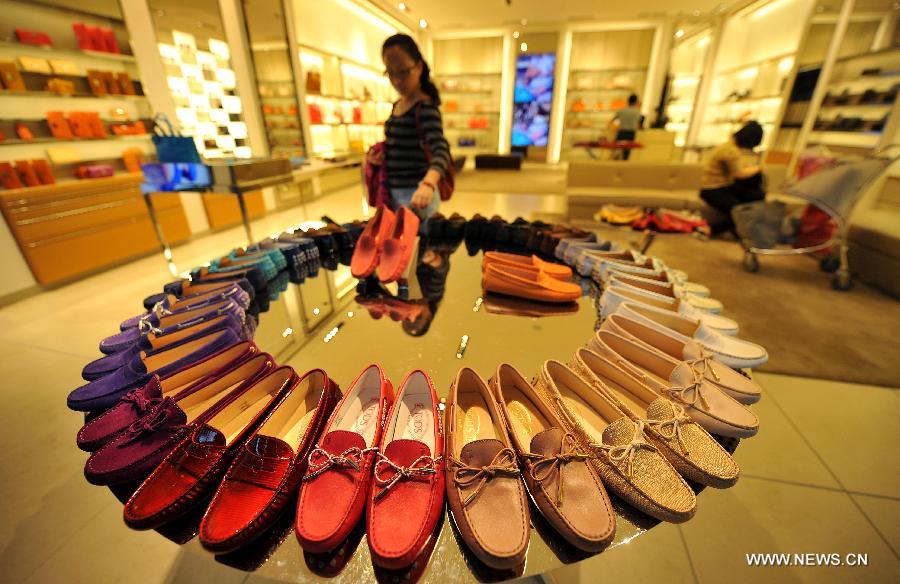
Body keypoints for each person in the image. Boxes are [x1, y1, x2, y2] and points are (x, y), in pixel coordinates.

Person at [367, 34, 451, 233]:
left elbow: (442, 150)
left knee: (417, 255)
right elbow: (400, 144)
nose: (397, 80)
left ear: (419, 67)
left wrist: (428, 184)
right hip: (392, 192)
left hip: (417, 196)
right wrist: (379, 157)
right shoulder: (398, 104)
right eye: (391, 73)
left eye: (403, 72)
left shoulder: (425, 108)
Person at [699, 121, 766, 235]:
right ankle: (711, 229)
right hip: (713, 189)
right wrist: (758, 168)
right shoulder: (730, 151)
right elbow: (738, 173)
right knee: (743, 209)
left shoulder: (730, 147)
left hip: (721, 187)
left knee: (754, 200)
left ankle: (734, 231)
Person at [610, 93, 642, 160]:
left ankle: (614, 163)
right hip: (631, 133)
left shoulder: (622, 110)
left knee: (617, 148)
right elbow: (638, 124)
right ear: (636, 101)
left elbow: (613, 120)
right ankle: (624, 163)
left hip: (621, 132)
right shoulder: (637, 112)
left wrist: (613, 128)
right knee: (627, 151)